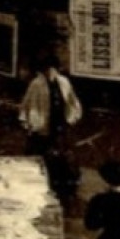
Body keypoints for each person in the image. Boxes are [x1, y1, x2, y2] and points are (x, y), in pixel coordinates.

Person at [21, 55, 83, 198]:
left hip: (60, 125)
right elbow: (27, 105)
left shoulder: (64, 83)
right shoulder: (36, 84)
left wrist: (71, 118)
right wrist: (28, 123)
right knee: (40, 156)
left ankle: (62, 187)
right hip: (42, 127)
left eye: (52, 70)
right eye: (47, 71)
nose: (50, 74)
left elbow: (73, 102)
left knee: (62, 156)